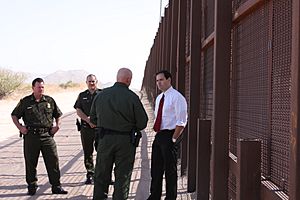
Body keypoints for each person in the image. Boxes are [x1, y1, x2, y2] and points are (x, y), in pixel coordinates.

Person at [90, 68, 148, 200]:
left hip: (104, 139)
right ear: (128, 80)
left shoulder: (101, 95)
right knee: (123, 176)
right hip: (125, 141)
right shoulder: (132, 97)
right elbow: (142, 122)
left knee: (101, 174)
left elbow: (92, 119)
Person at [11, 78, 68, 196]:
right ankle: (32, 186)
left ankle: (56, 186)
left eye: (42, 87)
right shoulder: (25, 101)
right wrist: (20, 128)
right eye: (38, 87)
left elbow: (58, 115)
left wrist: (58, 126)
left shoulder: (49, 100)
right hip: (31, 136)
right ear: (33, 88)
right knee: (31, 162)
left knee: (53, 161)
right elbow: (14, 115)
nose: (41, 89)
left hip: (47, 135)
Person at [147, 70, 188, 200]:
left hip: (170, 135)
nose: (159, 83)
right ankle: (154, 196)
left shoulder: (177, 97)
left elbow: (182, 121)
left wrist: (174, 138)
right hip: (159, 136)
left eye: (161, 80)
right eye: (157, 80)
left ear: (169, 80)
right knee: (156, 169)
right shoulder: (160, 98)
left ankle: (170, 197)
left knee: (170, 171)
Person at [74, 74, 101, 184]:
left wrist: (96, 121)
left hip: (100, 128)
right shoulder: (82, 95)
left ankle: (102, 174)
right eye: (89, 81)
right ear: (86, 82)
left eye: (93, 81)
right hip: (86, 128)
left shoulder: (102, 94)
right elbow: (78, 110)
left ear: (96, 82)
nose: (91, 83)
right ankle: (90, 173)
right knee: (87, 152)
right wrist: (88, 120)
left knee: (103, 152)